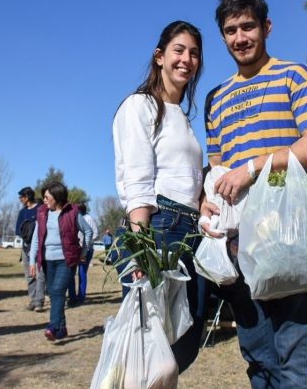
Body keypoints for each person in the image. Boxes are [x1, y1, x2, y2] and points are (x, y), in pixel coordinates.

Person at [200, 0, 307, 388]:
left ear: (266, 28)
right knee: (259, 360)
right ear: (223, 37)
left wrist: (251, 168)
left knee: (296, 359)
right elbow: (217, 169)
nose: (240, 37)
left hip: (289, 238)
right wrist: (210, 199)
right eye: (230, 30)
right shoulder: (216, 99)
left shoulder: (295, 76)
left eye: (248, 27)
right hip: (239, 245)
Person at [112, 20, 205, 373]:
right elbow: (136, 182)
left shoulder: (183, 116)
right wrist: (140, 253)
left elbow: (186, 176)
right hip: (161, 228)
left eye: (194, 53)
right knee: (151, 347)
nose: (187, 59)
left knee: (183, 342)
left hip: (191, 232)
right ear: (159, 57)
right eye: (179, 50)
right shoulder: (139, 107)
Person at [28, 182, 93, 341]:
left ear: (57, 198)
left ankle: (53, 325)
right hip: (47, 261)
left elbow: (88, 231)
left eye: (47, 197)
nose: (44, 200)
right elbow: (36, 238)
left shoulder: (72, 213)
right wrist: (32, 261)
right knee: (54, 293)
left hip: (67, 260)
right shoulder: (42, 213)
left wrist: (83, 252)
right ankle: (62, 329)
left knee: (57, 290)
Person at [16, 186, 44, 312]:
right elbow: (18, 230)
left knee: (39, 275)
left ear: (27, 197)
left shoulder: (40, 209)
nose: (20, 199)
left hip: (39, 247)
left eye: (21, 197)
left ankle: (39, 301)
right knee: (29, 275)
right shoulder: (22, 212)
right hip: (26, 247)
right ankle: (33, 299)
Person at [67, 203, 97, 307]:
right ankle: (72, 296)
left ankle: (81, 296)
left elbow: (94, 233)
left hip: (86, 249)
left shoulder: (88, 218)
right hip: (76, 248)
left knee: (82, 273)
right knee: (70, 273)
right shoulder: (75, 217)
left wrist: (85, 245)